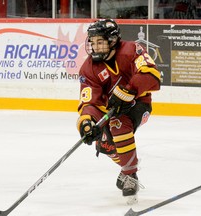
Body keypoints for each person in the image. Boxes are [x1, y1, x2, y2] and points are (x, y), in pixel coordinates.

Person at [76, 19, 161, 204]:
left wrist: (129, 90)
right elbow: (91, 101)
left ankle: (131, 176)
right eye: (93, 42)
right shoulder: (89, 68)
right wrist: (87, 121)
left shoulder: (132, 50)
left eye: (100, 42)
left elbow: (152, 74)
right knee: (106, 145)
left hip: (139, 103)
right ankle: (126, 166)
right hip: (112, 109)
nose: (95, 47)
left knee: (118, 124)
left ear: (112, 40)